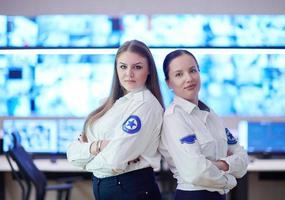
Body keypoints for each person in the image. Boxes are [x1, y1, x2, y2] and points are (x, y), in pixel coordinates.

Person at [67, 40, 164, 200]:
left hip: (131, 189)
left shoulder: (145, 105)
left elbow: (114, 160)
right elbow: (72, 152)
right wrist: (98, 146)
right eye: (123, 66)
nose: (129, 74)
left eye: (137, 67)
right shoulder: (109, 104)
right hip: (109, 186)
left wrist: (86, 161)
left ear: (149, 71)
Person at [159, 49, 248, 200]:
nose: (189, 78)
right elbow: (196, 171)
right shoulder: (174, 118)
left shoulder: (211, 115)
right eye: (179, 74)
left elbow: (242, 158)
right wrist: (230, 180)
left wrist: (218, 164)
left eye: (192, 71)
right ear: (169, 82)